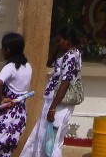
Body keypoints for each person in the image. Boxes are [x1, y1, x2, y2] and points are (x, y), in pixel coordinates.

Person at [18, 28, 82, 157]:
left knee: (50, 139)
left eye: (59, 41)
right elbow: (49, 63)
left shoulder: (70, 56)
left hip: (58, 102)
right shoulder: (68, 54)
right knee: (43, 135)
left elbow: (66, 82)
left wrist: (53, 107)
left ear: (68, 40)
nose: (57, 43)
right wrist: (57, 48)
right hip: (52, 100)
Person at [0, 32, 32, 157]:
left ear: (8, 50)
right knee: (6, 151)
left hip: (7, 114)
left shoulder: (10, 67)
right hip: (20, 115)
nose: (1, 50)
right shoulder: (28, 66)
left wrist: (1, 99)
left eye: (2, 47)